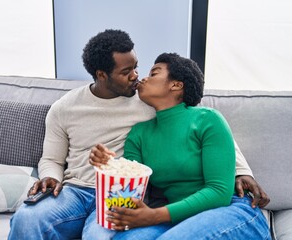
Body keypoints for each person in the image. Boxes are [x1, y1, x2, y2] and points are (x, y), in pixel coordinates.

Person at [8, 29, 269, 240]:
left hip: (121, 194)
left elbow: (204, 128)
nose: (136, 77)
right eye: (126, 72)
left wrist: (241, 170)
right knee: (26, 220)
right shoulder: (65, 108)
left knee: (100, 236)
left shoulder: (152, 102)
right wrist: (54, 176)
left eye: (139, 68)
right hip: (77, 191)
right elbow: (53, 159)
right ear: (102, 75)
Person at [90, 52, 271, 239]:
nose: (142, 77)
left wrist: (154, 216)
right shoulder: (139, 133)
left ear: (176, 85)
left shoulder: (208, 119)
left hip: (230, 211)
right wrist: (108, 165)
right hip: (176, 219)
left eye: (154, 73)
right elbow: (131, 187)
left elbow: (219, 192)